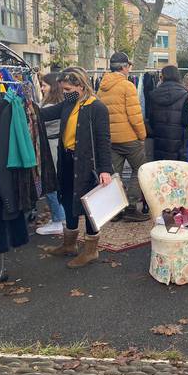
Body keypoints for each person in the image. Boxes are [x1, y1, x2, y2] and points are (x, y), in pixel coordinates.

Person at [40, 67, 113, 268]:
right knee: (67, 199)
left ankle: (91, 251)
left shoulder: (97, 107)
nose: (64, 92)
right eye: (63, 89)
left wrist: (105, 169)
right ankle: (69, 245)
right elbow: (45, 114)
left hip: (88, 165)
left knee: (91, 206)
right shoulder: (69, 103)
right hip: (67, 161)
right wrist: (24, 106)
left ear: (80, 86)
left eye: (68, 88)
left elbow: (103, 140)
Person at [97, 52, 149, 222]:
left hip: (110, 138)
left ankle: (116, 209)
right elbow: (135, 115)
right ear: (124, 67)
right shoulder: (127, 86)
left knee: (114, 175)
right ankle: (132, 207)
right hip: (129, 138)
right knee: (139, 169)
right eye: (129, 66)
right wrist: (142, 135)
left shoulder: (102, 87)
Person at [36, 73, 66, 235]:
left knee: (50, 185)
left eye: (44, 85)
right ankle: (60, 217)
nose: (41, 88)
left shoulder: (49, 107)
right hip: (55, 147)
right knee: (56, 184)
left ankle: (58, 220)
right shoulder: (60, 103)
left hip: (50, 148)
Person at [148, 65, 188, 162]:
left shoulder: (154, 94)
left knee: (161, 172)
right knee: (176, 173)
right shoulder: (184, 94)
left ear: (163, 76)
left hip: (159, 140)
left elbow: (150, 119)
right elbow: (186, 120)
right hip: (178, 142)